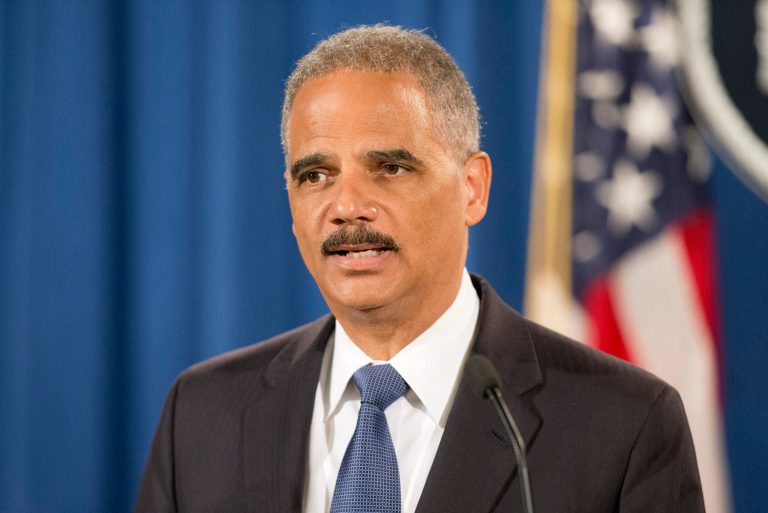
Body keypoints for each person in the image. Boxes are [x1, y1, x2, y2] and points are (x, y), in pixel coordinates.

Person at [134, 25, 704, 513]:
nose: (347, 205)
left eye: (390, 168)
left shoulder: (623, 425)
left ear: (472, 188)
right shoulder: (203, 414)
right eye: (315, 176)